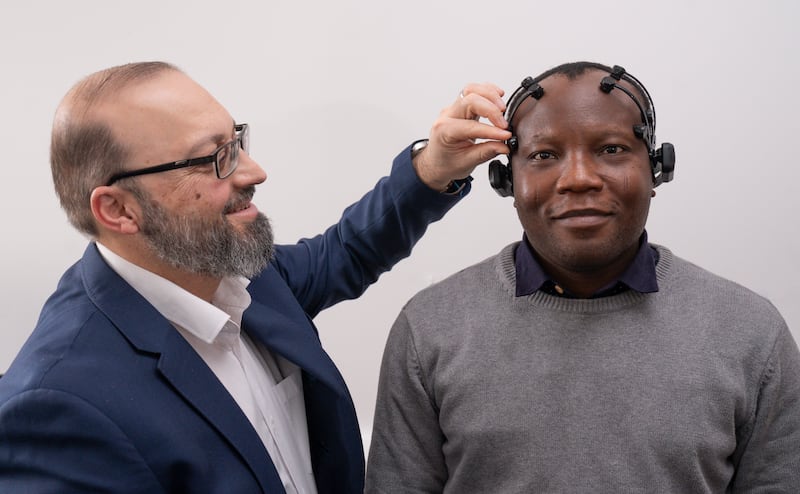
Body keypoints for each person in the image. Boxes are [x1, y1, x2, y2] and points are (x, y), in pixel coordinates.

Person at [0, 61, 512, 493]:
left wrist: (434, 167)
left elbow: (345, 253)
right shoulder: (55, 409)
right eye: (213, 159)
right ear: (118, 209)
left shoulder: (237, 274)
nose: (254, 171)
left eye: (237, 141)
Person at [365, 61, 800, 493]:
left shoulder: (749, 332)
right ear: (505, 180)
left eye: (610, 149)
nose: (578, 179)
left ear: (657, 169)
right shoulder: (430, 329)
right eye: (544, 155)